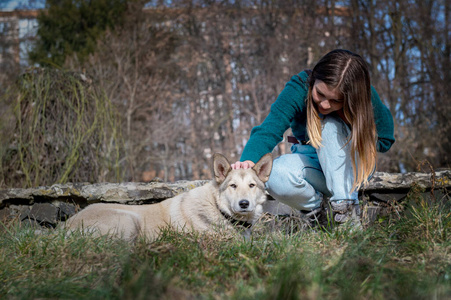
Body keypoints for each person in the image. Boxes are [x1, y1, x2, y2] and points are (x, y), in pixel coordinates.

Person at [231, 49, 395, 227]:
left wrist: (347, 125)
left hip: (350, 169)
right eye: (320, 94)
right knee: (275, 175)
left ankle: (346, 215)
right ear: (313, 80)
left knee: (331, 126)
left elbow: (385, 140)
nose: (325, 104)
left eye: (336, 101)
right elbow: (271, 127)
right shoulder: (300, 87)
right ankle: (318, 215)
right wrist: (248, 162)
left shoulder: (364, 96)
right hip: (313, 164)